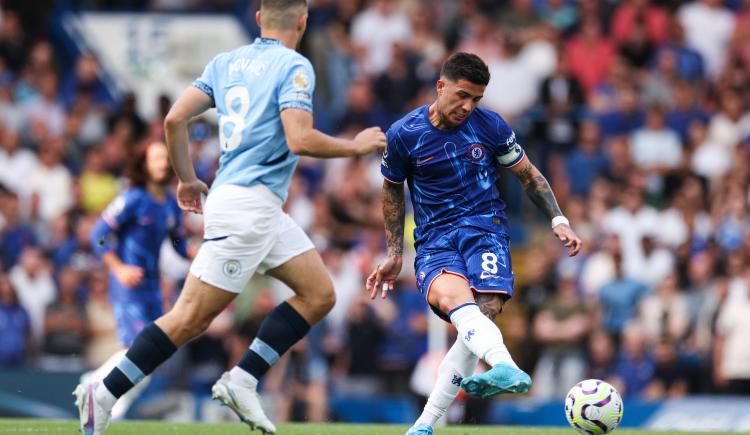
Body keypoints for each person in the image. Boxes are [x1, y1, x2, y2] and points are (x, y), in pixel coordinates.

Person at [74, 0, 385, 433]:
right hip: (248, 209)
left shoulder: (226, 62)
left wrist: (186, 178)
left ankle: (241, 381)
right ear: (303, 20)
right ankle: (104, 390)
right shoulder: (295, 66)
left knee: (319, 294)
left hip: (250, 204)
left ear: (258, 20)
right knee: (189, 319)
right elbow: (298, 139)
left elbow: (174, 119)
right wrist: (356, 145)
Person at [366, 52, 581, 435]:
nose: (468, 106)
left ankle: (425, 424)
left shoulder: (491, 126)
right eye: (462, 95)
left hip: (486, 231)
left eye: (476, 99)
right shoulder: (405, 133)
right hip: (435, 240)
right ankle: (505, 365)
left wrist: (558, 218)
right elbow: (392, 191)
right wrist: (395, 253)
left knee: (479, 316)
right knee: (455, 302)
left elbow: (528, 175)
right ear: (441, 86)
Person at [83, 140, 188, 420]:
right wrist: (118, 268)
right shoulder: (132, 198)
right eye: (155, 158)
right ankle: (96, 390)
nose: (162, 163)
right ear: (143, 163)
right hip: (129, 285)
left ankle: (102, 398)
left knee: (150, 356)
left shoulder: (169, 203)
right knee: (135, 350)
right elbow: (99, 234)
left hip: (153, 287)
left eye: (165, 158)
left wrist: (204, 251)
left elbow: (178, 243)